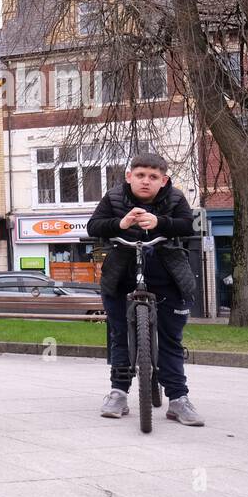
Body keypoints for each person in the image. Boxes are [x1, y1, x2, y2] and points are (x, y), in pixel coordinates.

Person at [87, 153, 203, 426]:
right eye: (140, 175)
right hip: (121, 276)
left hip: (168, 276)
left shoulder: (174, 198)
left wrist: (160, 222)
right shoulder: (114, 198)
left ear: (163, 181)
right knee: (119, 335)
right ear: (129, 177)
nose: (146, 181)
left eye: (153, 177)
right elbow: (94, 226)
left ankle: (178, 399)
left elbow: (187, 224)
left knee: (171, 339)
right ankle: (118, 393)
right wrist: (121, 223)